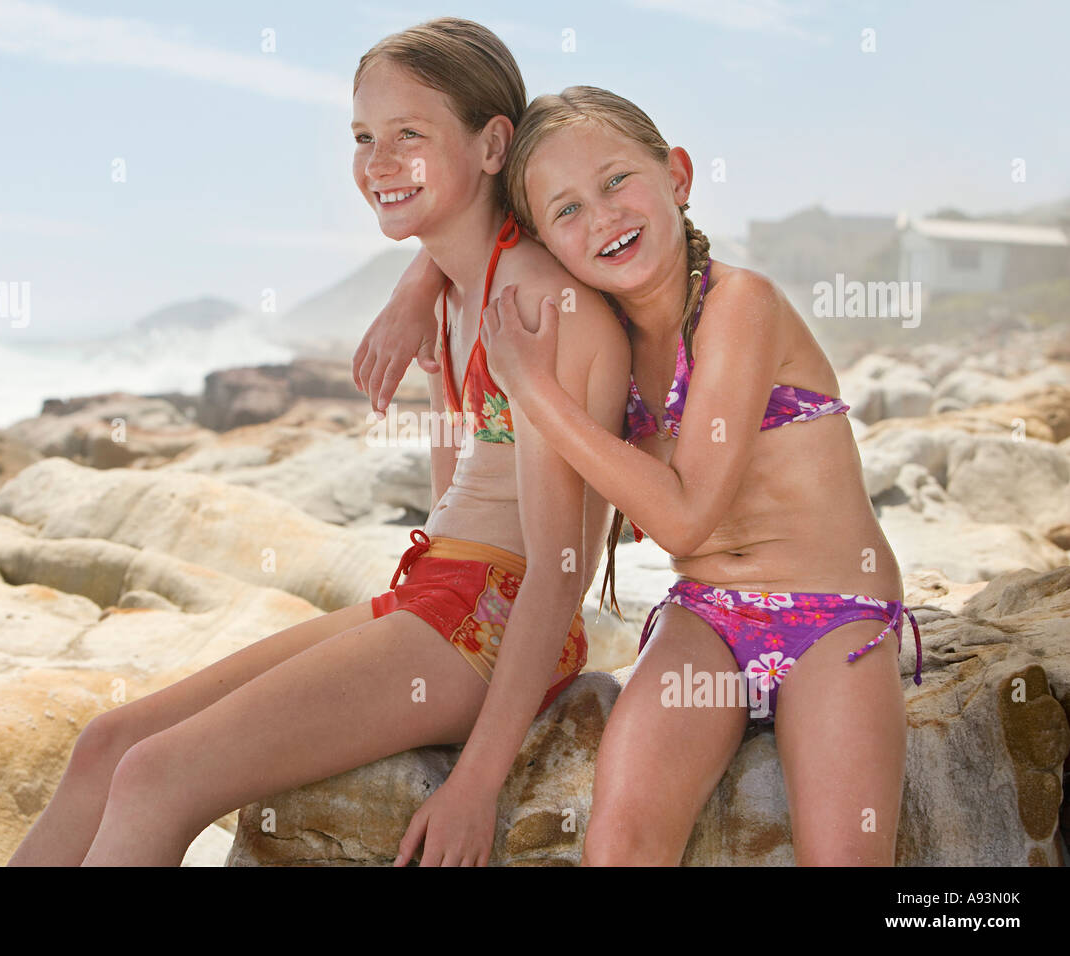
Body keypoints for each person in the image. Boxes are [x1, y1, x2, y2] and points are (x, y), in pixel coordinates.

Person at [7, 19, 629, 868]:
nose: (378, 161)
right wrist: (421, 283)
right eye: (364, 137)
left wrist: (477, 781)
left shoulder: (534, 309)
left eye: (410, 134)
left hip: (491, 624)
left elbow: (561, 572)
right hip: (433, 596)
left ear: (493, 144)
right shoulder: (453, 291)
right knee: (107, 743)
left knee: (157, 774)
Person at [354, 86, 922, 866]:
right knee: (619, 842)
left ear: (678, 177)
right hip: (707, 617)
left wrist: (536, 392)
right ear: (547, 243)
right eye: (568, 210)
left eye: (617, 181)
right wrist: (416, 285)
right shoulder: (604, 334)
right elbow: (471, 222)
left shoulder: (738, 305)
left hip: (833, 614)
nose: (604, 217)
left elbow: (682, 519)